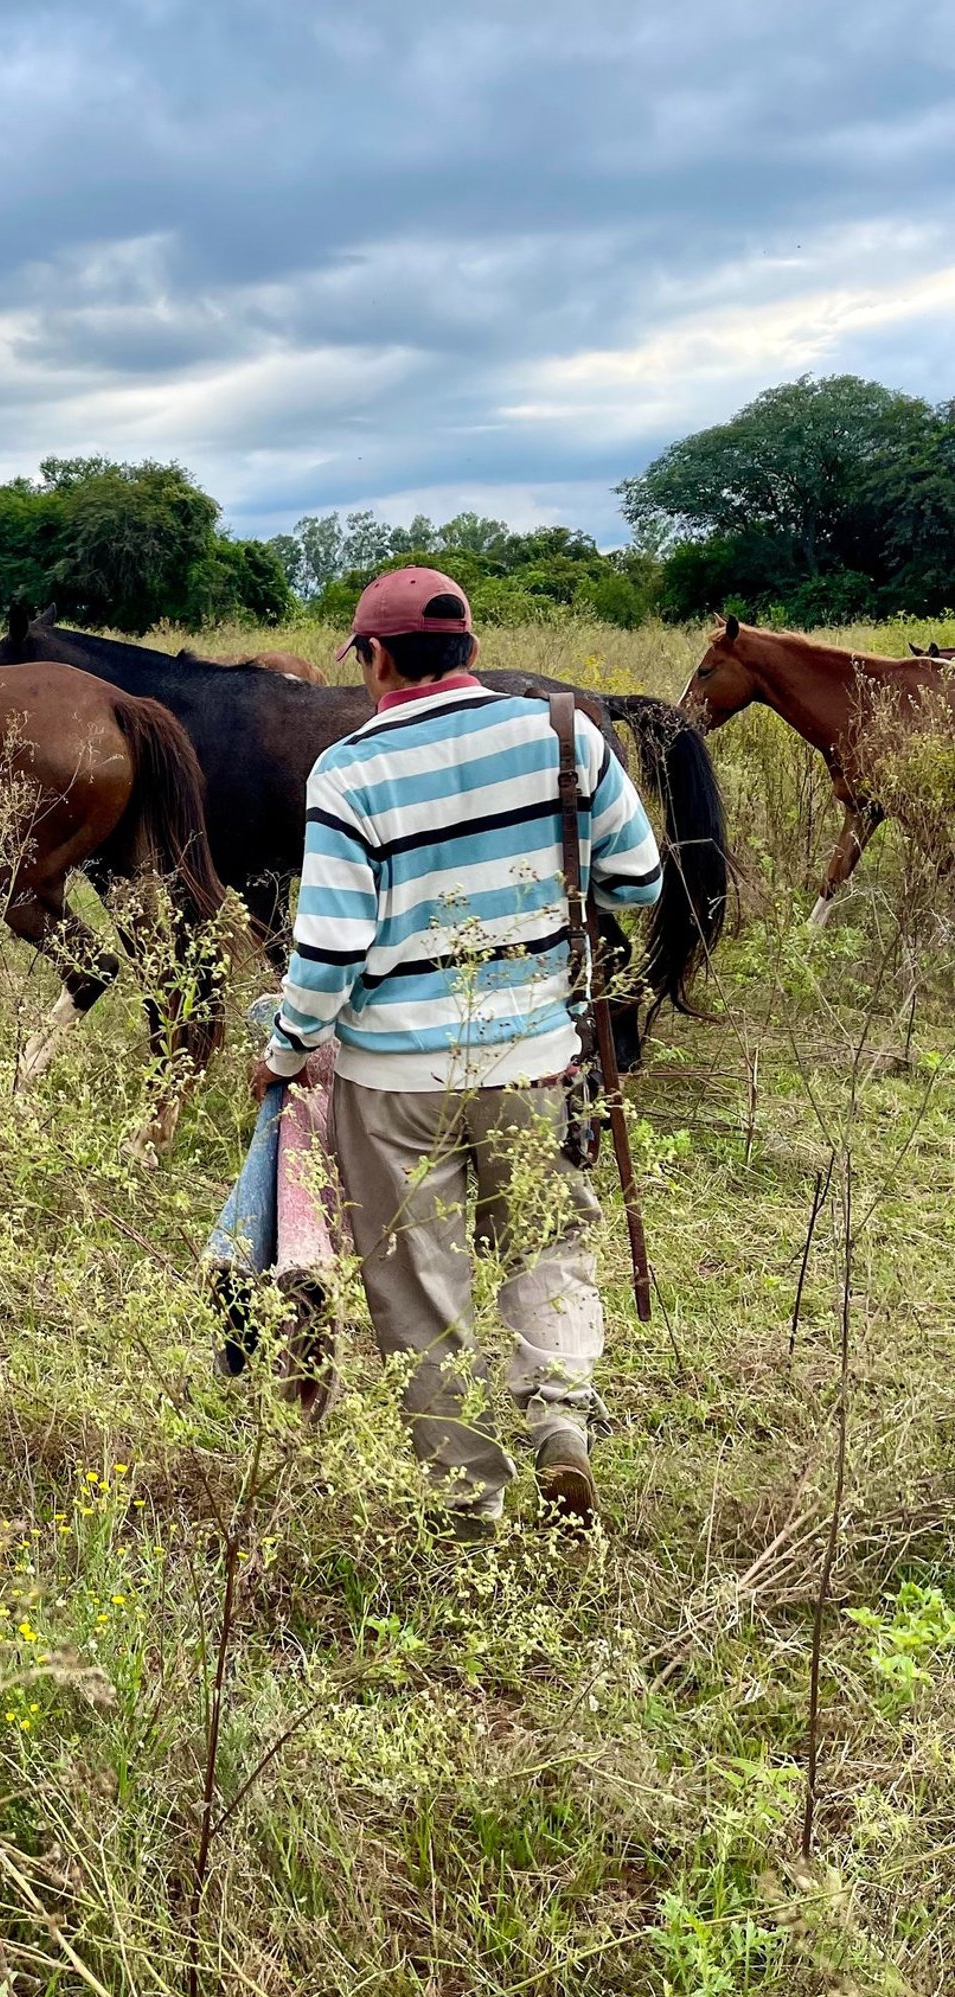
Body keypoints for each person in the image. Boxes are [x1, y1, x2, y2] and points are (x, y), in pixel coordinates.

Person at [253, 566, 663, 1537]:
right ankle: (560, 1422)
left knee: (415, 1287)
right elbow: (639, 884)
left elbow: (330, 953)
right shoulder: (565, 733)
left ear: (376, 658)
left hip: (392, 1083)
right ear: (472, 649)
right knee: (549, 1246)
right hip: (538, 1059)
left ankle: (469, 1498)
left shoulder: (349, 770)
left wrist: (282, 1050)